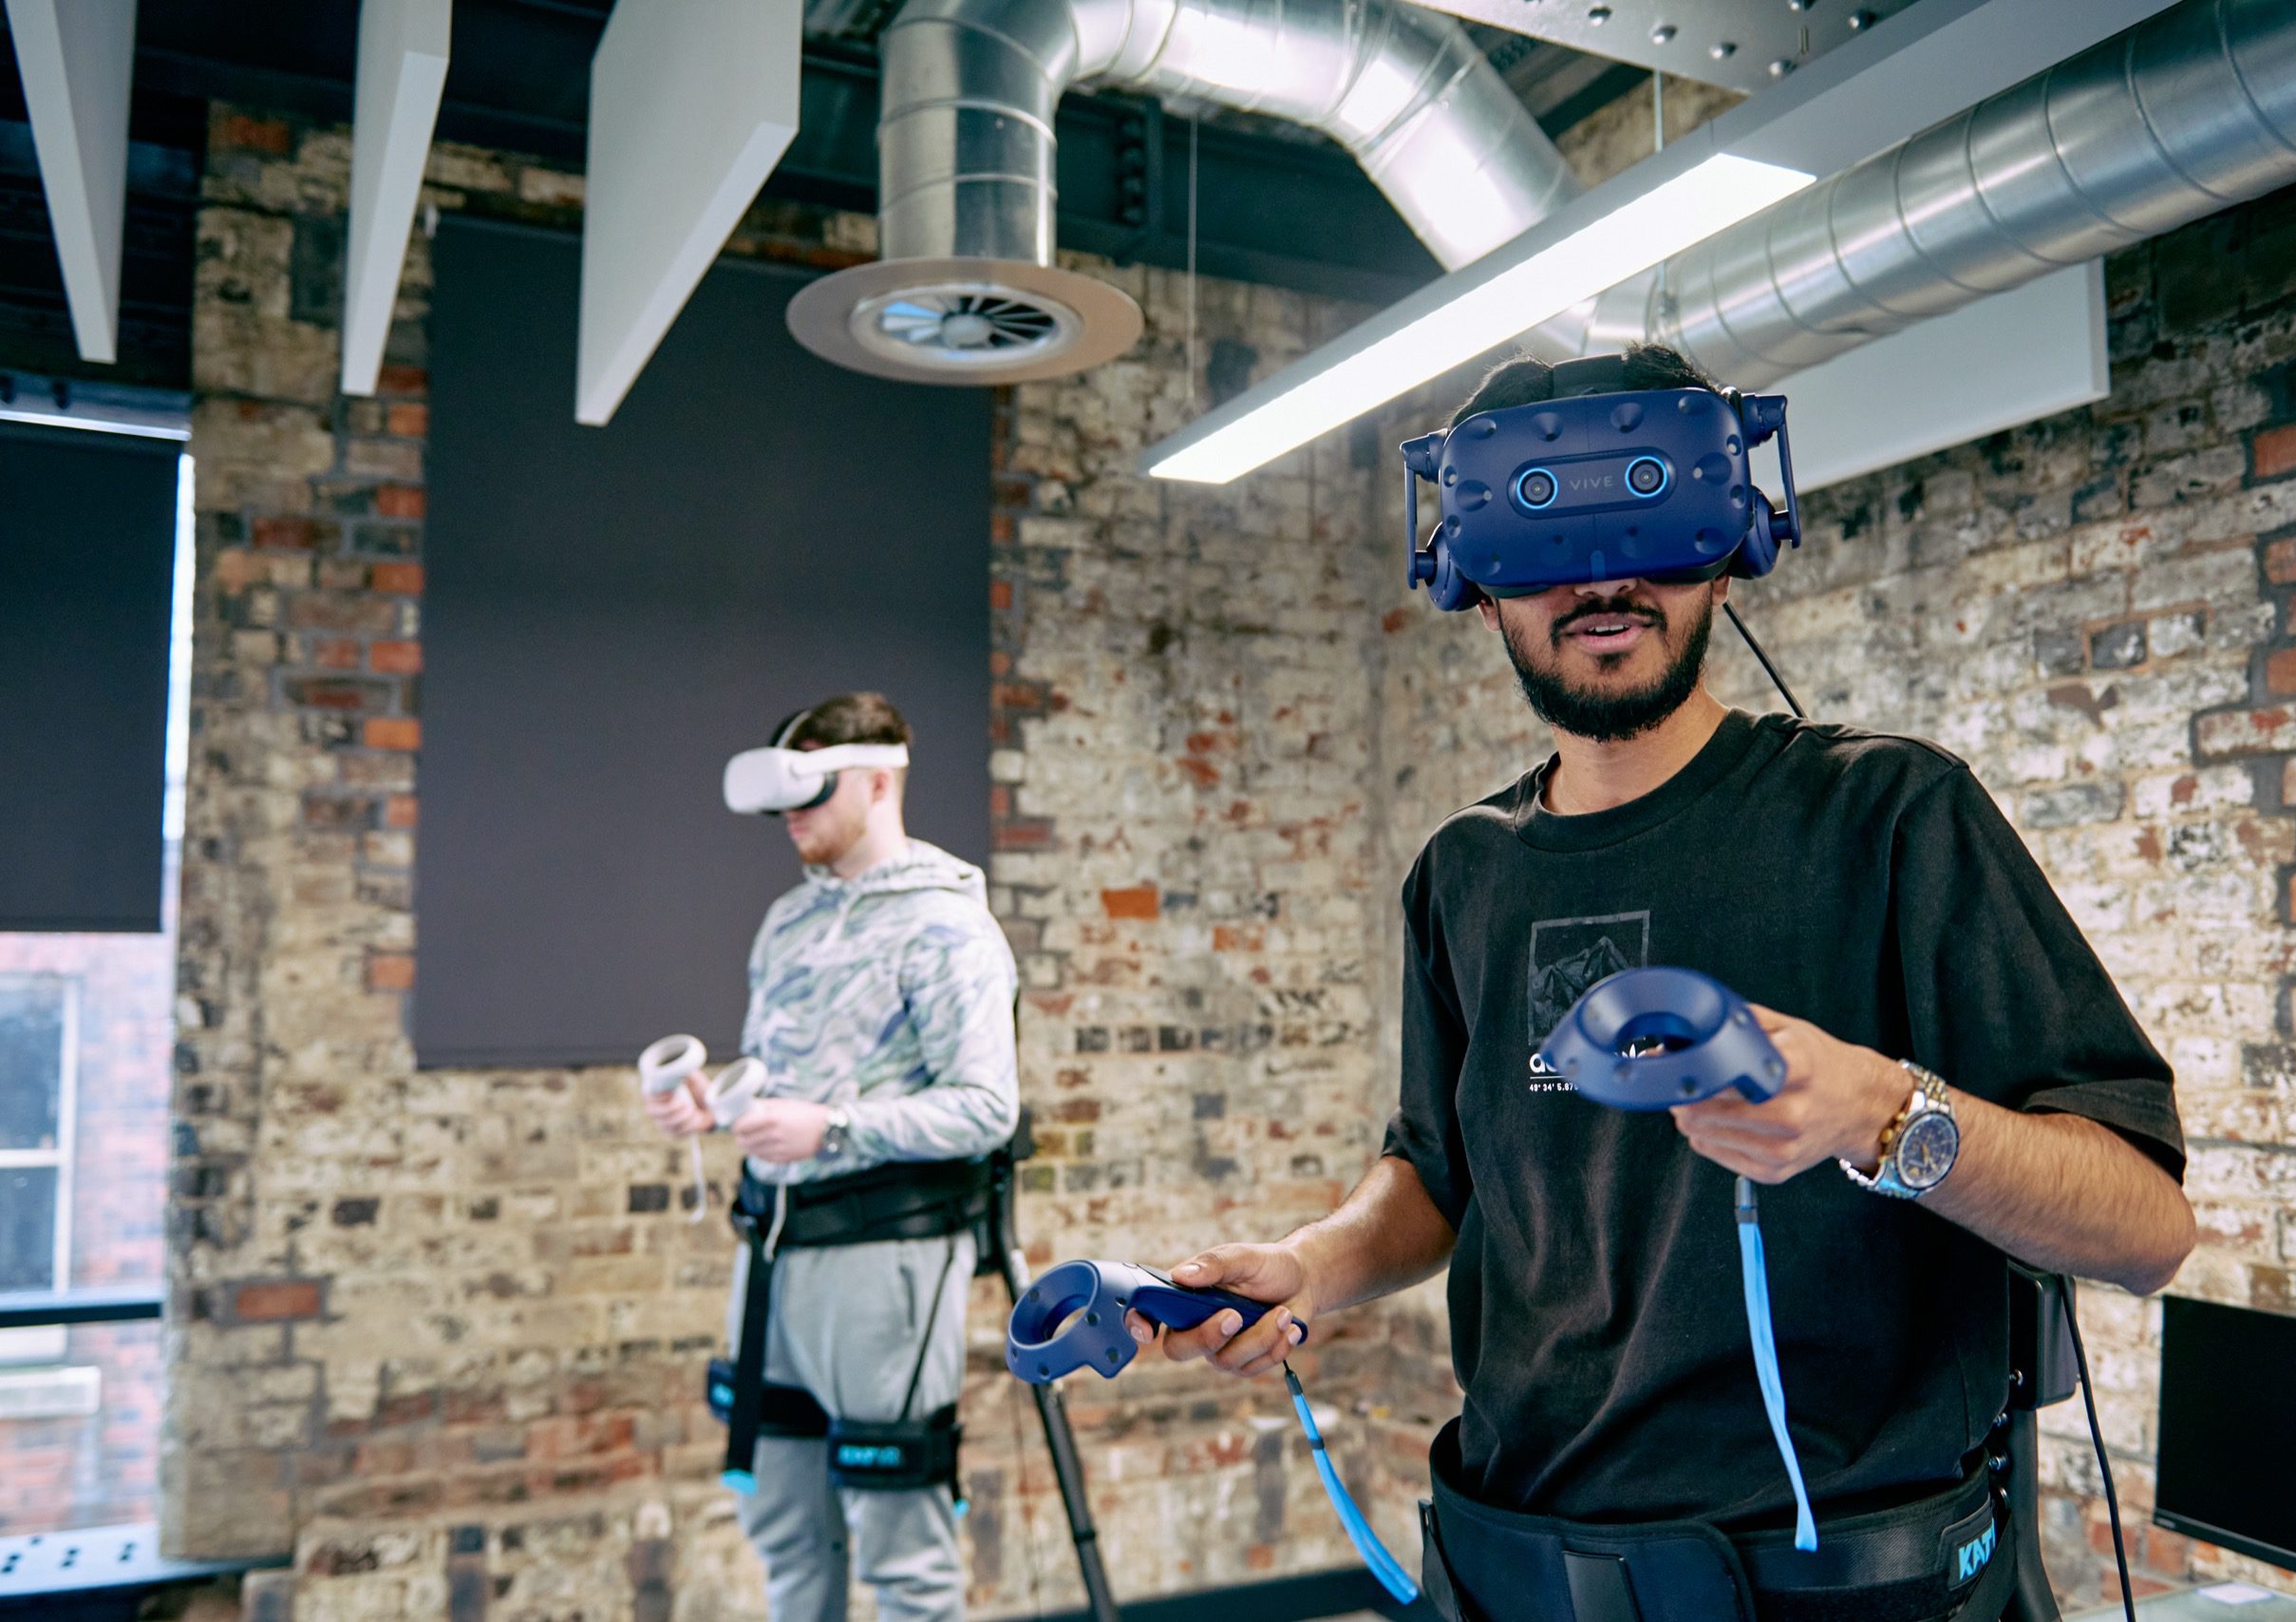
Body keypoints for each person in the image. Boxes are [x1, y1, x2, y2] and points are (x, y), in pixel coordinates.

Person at [1129, 349, 2197, 1622]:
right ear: (1475, 583)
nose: (1602, 582)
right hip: (1511, 1565)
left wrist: (1881, 1114)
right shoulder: (1465, 874)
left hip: (1829, 1589)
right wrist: (1311, 1266)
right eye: (1546, 540)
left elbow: (2146, 1230)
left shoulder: (1889, 818)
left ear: (1728, 539)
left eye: (1642, 518)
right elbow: (1434, 1176)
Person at [646, 692, 1018, 1622]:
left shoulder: (947, 925)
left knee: (900, 1545)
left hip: (882, 1263)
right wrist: (713, 1103)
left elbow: (985, 1108)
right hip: (771, 1257)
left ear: (881, 777)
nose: (792, 815)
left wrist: (835, 1127)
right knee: (785, 1528)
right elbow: (792, 1075)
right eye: (782, 798)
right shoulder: (789, 923)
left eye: (810, 789)